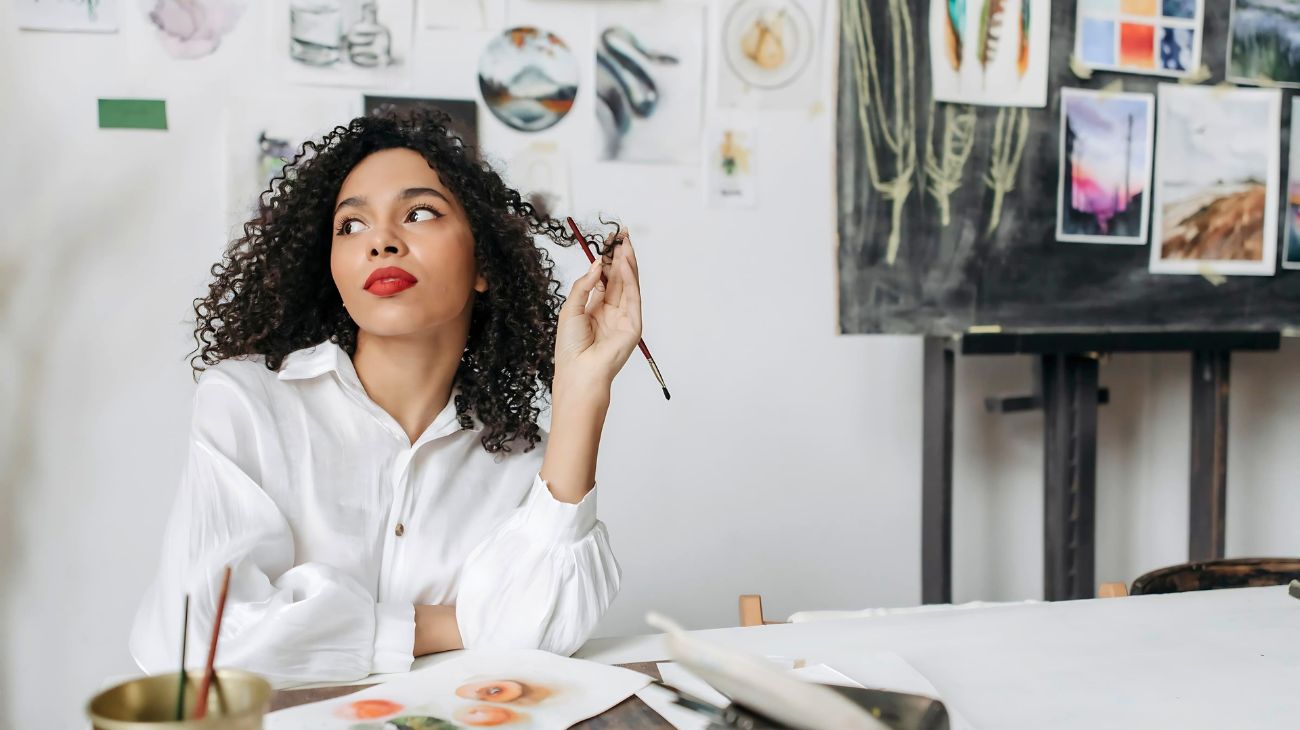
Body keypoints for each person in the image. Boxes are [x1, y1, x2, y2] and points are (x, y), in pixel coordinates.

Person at [129, 107, 643, 686]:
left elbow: (539, 633)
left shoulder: (522, 458)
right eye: (351, 226)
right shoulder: (245, 405)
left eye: (419, 213)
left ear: (484, 264)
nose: (381, 242)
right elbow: (202, 637)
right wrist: (440, 626)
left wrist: (582, 391)